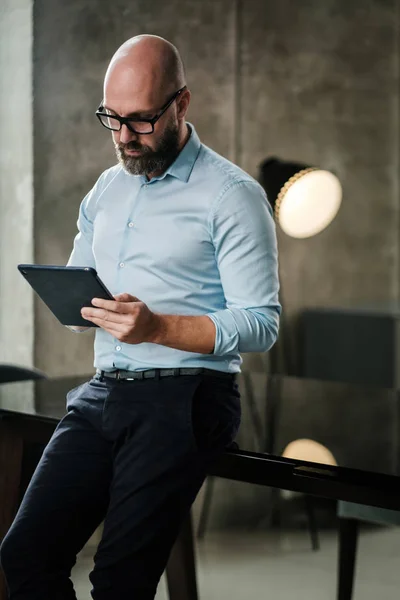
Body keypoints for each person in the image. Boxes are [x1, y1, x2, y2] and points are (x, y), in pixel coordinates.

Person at [0, 34, 280, 599]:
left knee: (119, 581)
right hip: (106, 391)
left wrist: (158, 328)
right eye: (112, 119)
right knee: (26, 551)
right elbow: (87, 300)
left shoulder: (232, 196)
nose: (125, 137)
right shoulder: (106, 189)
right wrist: (77, 305)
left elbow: (262, 323)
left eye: (141, 120)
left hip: (190, 396)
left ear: (182, 103)